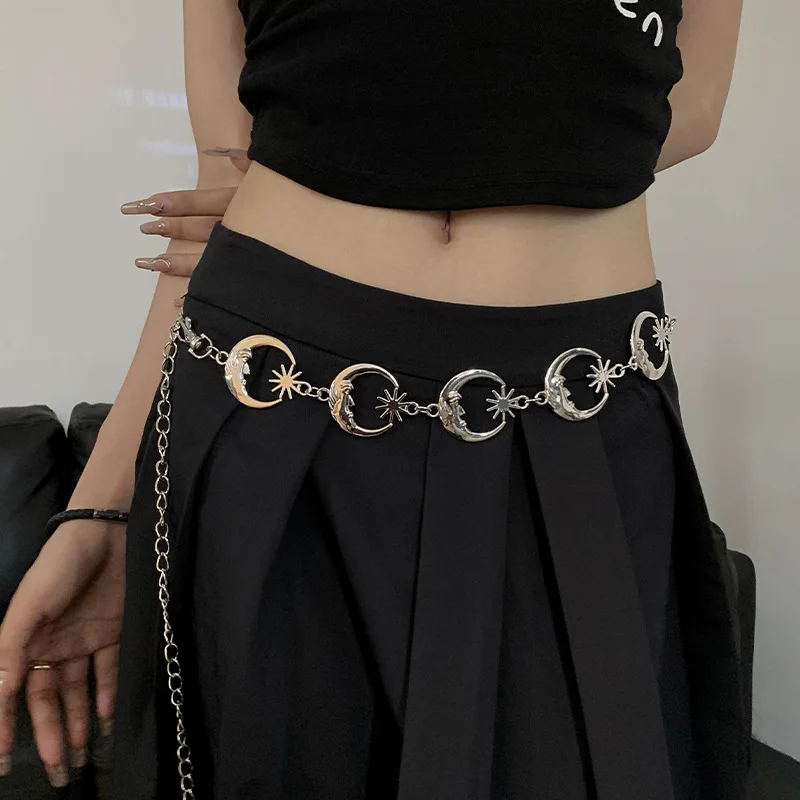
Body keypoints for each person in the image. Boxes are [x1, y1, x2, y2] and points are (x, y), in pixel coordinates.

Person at [0, 0, 747, 798]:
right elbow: (218, 195)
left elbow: (695, 101)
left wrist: (461, 133)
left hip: (575, 406)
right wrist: (103, 508)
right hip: (273, 403)